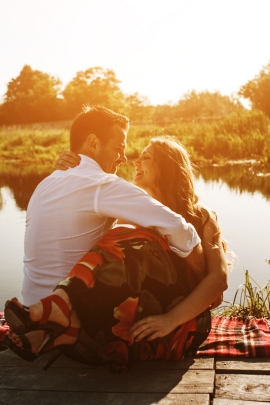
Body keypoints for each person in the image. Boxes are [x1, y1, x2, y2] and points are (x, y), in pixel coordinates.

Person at [4, 135, 228, 373]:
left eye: (146, 157)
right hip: (141, 317)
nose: (135, 161)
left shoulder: (202, 215)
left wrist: (170, 319)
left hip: (184, 322)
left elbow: (219, 279)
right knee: (122, 236)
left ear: (168, 167)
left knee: (128, 234)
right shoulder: (129, 211)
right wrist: (72, 167)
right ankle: (56, 333)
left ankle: (57, 311)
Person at [20, 105, 202, 306]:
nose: (124, 158)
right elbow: (178, 227)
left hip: (32, 303)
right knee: (137, 237)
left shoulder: (46, 183)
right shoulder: (101, 185)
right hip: (69, 314)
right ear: (93, 143)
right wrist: (203, 282)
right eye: (119, 148)